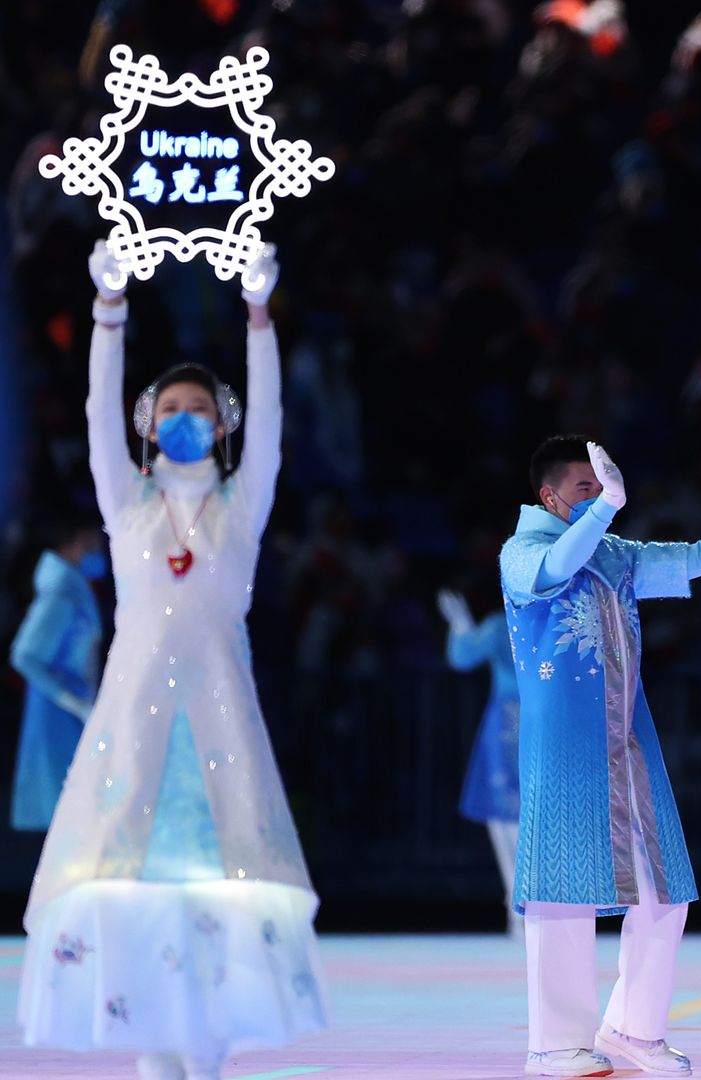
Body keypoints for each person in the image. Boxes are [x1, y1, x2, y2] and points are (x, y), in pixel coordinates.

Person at [17, 242, 326, 1080]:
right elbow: (94, 412)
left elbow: (271, 426)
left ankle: (206, 1054)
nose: (184, 417)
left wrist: (259, 317)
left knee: (219, 896)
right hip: (135, 733)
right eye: (169, 408)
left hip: (221, 730)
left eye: (200, 408)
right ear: (148, 426)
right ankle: (156, 1055)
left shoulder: (241, 508)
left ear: (221, 427)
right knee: (135, 899)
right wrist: (107, 311)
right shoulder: (128, 507)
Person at [500, 430, 701, 1078]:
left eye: (603, 483)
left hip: (629, 742)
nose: (600, 493)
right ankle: (555, 1045)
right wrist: (605, 510)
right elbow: (552, 571)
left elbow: (699, 558)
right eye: (585, 486)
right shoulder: (522, 551)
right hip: (563, 748)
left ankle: (633, 1029)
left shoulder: (615, 554)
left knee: (664, 889)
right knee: (562, 896)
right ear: (549, 497)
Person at [10, 514, 107, 832]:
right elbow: (24, 655)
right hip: (59, 712)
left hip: (68, 707)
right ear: (76, 541)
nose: (99, 550)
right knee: (68, 815)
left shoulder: (71, 585)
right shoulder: (62, 590)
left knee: (74, 816)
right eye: (93, 541)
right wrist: (72, 701)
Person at [437, 586, 523, 937]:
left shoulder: (502, 624)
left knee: (506, 816)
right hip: (541, 720)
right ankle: (526, 902)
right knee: (520, 814)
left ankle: (519, 902)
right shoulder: (549, 616)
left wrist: (461, 628)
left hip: (510, 721)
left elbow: (463, 657)